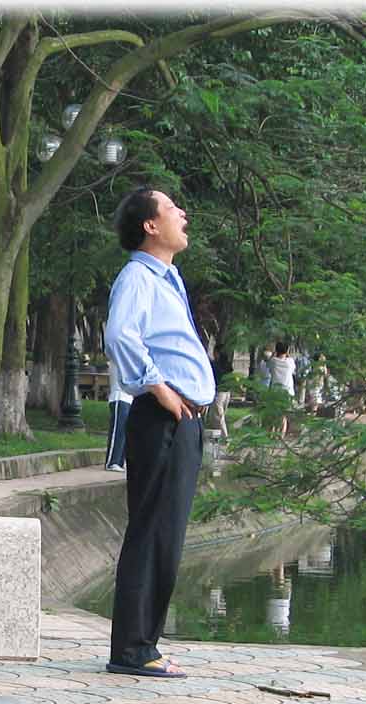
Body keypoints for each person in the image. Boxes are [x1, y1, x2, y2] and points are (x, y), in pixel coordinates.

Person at [102, 186, 214, 678]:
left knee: (167, 531)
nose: (182, 214)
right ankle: (132, 649)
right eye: (172, 209)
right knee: (151, 530)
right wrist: (160, 389)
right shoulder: (137, 278)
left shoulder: (167, 279)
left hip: (183, 419)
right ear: (151, 225)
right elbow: (120, 335)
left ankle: (146, 642)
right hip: (162, 416)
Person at [103, 353, 132, 473]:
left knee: (125, 431)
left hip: (129, 397)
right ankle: (112, 461)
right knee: (118, 430)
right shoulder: (118, 353)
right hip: (119, 396)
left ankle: (119, 461)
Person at [267, 340, 297, 437]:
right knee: (283, 415)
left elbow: (269, 366)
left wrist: (274, 354)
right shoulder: (290, 362)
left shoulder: (273, 361)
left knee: (273, 414)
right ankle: (281, 435)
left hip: (275, 391)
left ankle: (271, 432)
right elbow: (293, 370)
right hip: (287, 391)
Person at [207, 348, 234, 440]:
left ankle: (225, 436)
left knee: (219, 416)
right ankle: (218, 435)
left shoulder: (215, 365)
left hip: (220, 393)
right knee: (219, 415)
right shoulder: (228, 365)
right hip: (227, 392)